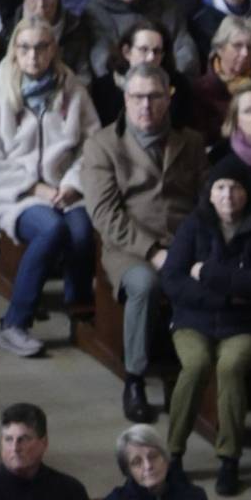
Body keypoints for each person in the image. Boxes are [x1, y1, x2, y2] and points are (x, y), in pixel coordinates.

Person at [82, 62, 208, 423]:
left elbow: (205, 202)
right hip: (129, 250)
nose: (145, 105)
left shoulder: (191, 141)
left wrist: (193, 250)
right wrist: (153, 252)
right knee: (146, 285)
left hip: (185, 244)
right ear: (125, 98)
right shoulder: (103, 145)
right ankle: (135, 378)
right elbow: (105, 215)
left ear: (168, 98)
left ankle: (199, 377)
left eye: (154, 96)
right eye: (137, 97)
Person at [159, 156, 251, 491]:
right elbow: (172, 279)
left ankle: (229, 457)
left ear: (247, 192)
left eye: (236, 187)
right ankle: (173, 453)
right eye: (221, 188)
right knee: (196, 365)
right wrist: (226, 296)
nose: (228, 195)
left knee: (230, 367)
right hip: (193, 321)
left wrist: (208, 273)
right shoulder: (193, 225)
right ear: (210, 194)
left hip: (246, 325)